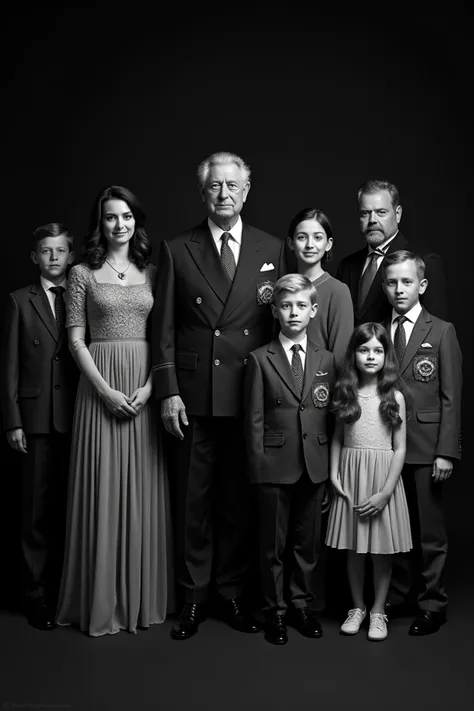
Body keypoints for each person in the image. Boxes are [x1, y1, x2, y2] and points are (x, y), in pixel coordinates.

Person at [151, 151, 286, 640]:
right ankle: (192, 598)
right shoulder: (176, 248)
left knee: (236, 501)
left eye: (233, 186)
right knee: (192, 501)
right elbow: (162, 328)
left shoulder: (273, 247)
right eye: (215, 187)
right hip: (193, 395)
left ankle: (230, 594)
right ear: (202, 193)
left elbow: (281, 325)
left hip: (249, 395)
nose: (224, 194)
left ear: (247, 191)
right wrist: (167, 391)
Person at [56, 185, 173, 637]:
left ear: (136, 221)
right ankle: (101, 598)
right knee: (101, 486)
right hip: (98, 386)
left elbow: (164, 338)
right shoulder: (82, 273)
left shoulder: (154, 271)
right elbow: (76, 339)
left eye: (126, 216)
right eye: (110, 217)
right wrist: (104, 390)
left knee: (142, 489)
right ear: (99, 223)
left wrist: (149, 389)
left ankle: (140, 599)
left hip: (145, 386)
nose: (119, 224)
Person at [244, 274, 335, 645]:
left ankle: (301, 606)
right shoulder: (259, 359)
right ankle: (275, 612)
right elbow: (253, 420)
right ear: (275, 310)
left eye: (301, 306)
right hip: (274, 465)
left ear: (313, 310)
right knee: (273, 546)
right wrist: (257, 468)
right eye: (286, 305)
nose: (293, 312)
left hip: (314, 463)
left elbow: (329, 414)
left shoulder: (326, 359)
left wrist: (331, 467)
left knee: (307, 544)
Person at [0, 223, 78, 630]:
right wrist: (13, 420)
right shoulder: (18, 301)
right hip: (35, 420)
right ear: (35, 257)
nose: (53, 257)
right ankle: (35, 595)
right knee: (35, 512)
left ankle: (68, 591)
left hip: (79, 416)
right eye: (45, 251)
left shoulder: (83, 297)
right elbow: (9, 367)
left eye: (60, 250)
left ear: (70, 255)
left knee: (73, 508)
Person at [381, 250, 462, 636]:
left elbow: (451, 396)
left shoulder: (441, 330)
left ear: (422, 285)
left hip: (427, 447)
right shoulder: (378, 331)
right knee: (394, 529)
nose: (399, 289)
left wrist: (447, 451)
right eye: (392, 282)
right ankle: (397, 597)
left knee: (429, 532)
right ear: (384, 286)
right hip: (385, 447)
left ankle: (433, 602)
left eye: (407, 281)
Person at [325, 322, 412, 641]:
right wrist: (334, 473)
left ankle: (378, 610)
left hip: (382, 478)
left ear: (386, 355)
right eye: (364, 350)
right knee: (354, 547)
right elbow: (337, 437)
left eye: (378, 350)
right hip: (351, 475)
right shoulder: (345, 392)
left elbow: (400, 447)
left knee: (381, 550)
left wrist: (386, 492)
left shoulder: (395, 396)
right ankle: (357, 607)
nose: (371, 356)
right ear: (354, 355)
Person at [336, 179, 448, 325]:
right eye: (365, 213)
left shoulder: (425, 261)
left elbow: (436, 330)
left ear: (398, 214)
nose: (372, 220)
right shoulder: (347, 266)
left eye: (381, 212)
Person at [287, 207, 353, 371]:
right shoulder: (282, 288)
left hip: (322, 386)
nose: (310, 245)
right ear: (291, 243)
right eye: (302, 237)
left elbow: (341, 355)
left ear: (328, 244)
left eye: (317, 237)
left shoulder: (338, 291)